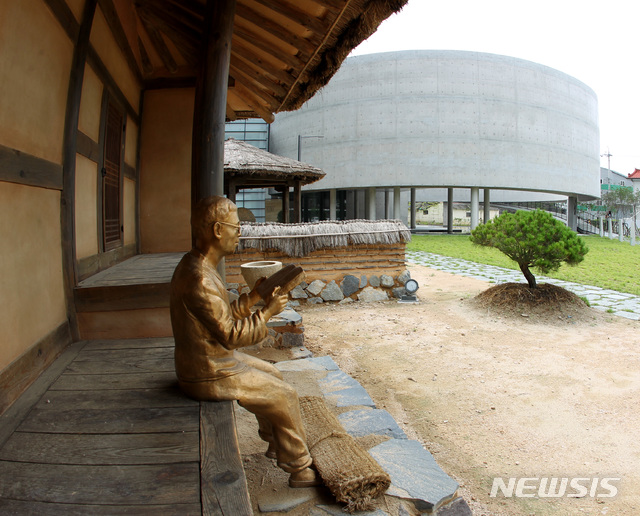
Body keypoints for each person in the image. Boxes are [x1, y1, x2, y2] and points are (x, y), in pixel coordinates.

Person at [170, 195, 318, 488]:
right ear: (217, 231)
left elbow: (218, 319)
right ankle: (300, 468)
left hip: (210, 358)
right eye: (236, 227)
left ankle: (275, 444)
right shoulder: (200, 279)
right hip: (208, 370)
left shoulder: (198, 265)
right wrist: (267, 312)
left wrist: (253, 297)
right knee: (284, 394)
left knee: (273, 373)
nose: (240, 233)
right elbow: (231, 335)